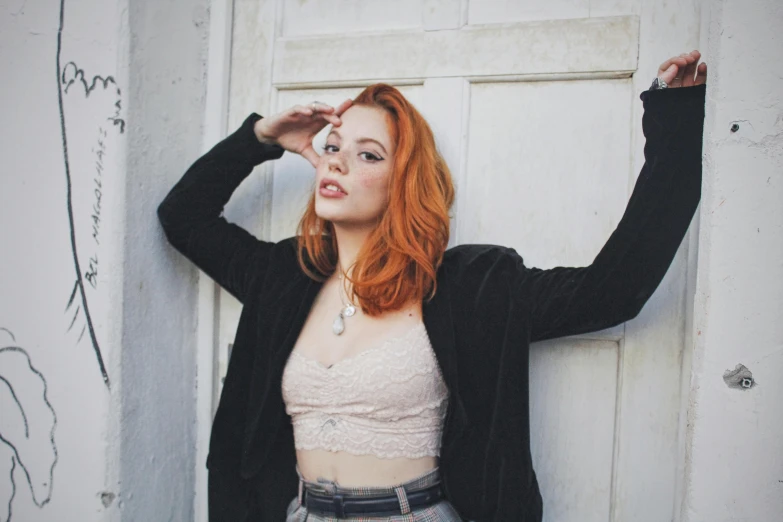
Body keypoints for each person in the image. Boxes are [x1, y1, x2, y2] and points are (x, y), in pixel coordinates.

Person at [157, 51, 708, 521]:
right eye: (332, 146)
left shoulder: (470, 288)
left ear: (403, 181)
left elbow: (613, 291)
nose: (338, 162)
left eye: (367, 154)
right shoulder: (283, 276)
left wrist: (674, 125)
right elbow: (183, 216)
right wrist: (261, 138)